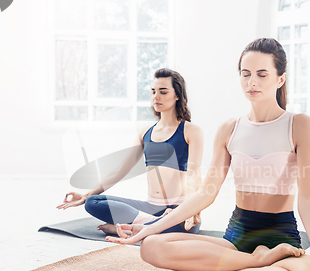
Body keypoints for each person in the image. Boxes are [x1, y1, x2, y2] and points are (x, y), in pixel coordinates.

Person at [106, 38, 310, 271]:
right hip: (236, 240)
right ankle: (257, 263)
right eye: (245, 74)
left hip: (281, 239)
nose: (251, 82)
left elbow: (309, 197)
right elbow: (206, 193)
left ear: (280, 79)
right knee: (151, 247)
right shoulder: (230, 128)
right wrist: (152, 227)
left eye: (262, 74)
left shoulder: (299, 125)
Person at [57, 68, 204, 235]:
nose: (156, 97)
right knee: (92, 202)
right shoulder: (145, 133)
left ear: (177, 95)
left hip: (179, 208)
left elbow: (194, 174)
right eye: (153, 91)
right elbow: (120, 170)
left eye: (163, 92)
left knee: (186, 227)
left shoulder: (191, 131)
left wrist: (192, 210)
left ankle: (142, 226)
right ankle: (152, 225)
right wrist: (85, 195)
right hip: (150, 208)